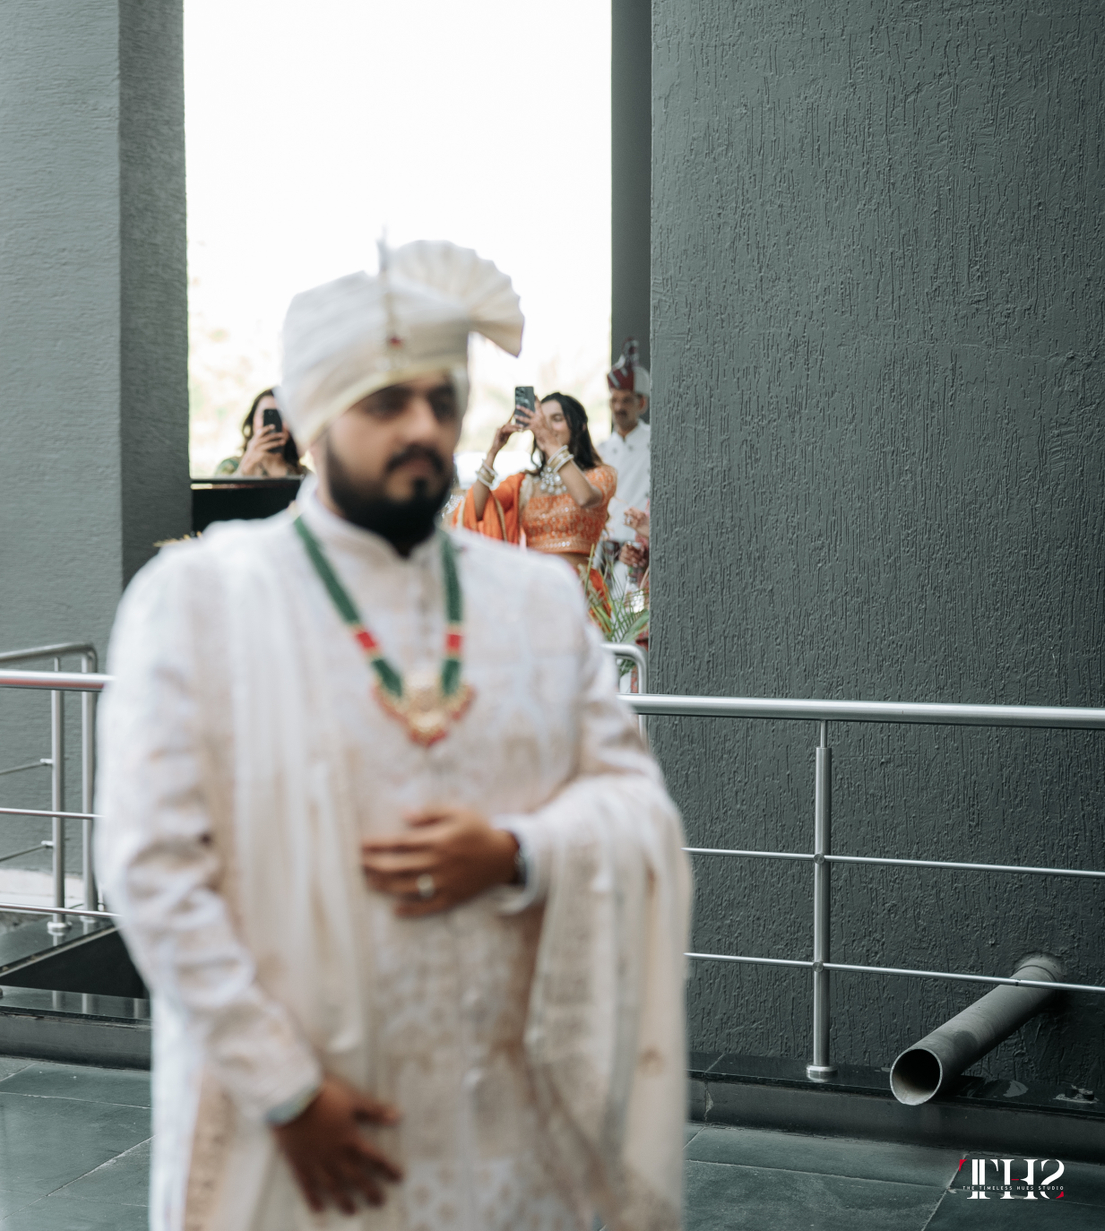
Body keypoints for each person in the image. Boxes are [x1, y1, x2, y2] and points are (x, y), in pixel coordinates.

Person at [98, 240, 689, 1231]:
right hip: (295, 1136)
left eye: (441, 399)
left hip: (503, 1132)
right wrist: (287, 1091)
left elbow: (634, 804)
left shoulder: (536, 601)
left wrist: (516, 851)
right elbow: (150, 867)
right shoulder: (199, 599)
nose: (423, 427)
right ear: (315, 412)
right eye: (385, 402)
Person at [455, 392, 617, 609]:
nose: (545, 426)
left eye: (556, 419)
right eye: (541, 420)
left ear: (579, 427)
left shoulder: (601, 475)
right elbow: (475, 510)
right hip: (534, 593)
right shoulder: (525, 483)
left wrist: (548, 439)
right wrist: (493, 452)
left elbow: (584, 497)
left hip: (580, 593)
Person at [599, 339, 653, 566]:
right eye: (614, 401)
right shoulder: (600, 450)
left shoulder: (655, 443)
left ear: (642, 403)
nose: (619, 408)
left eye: (626, 401)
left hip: (640, 548)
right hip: (605, 549)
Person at [215, 388, 308, 477]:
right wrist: (245, 469)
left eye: (281, 416)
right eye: (265, 416)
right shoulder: (229, 466)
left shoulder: (304, 474)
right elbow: (218, 488)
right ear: (252, 421)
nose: (272, 425)